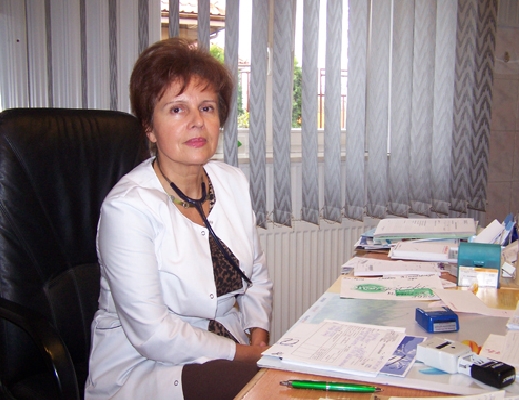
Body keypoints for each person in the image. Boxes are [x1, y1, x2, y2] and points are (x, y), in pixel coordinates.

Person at [85, 38, 273, 400]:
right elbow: (154, 334)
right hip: (146, 367)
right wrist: (248, 357)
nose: (197, 122)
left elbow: (257, 277)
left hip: (228, 350)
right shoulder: (127, 209)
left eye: (207, 108)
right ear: (149, 128)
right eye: (177, 109)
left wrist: (259, 338)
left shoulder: (233, 182)